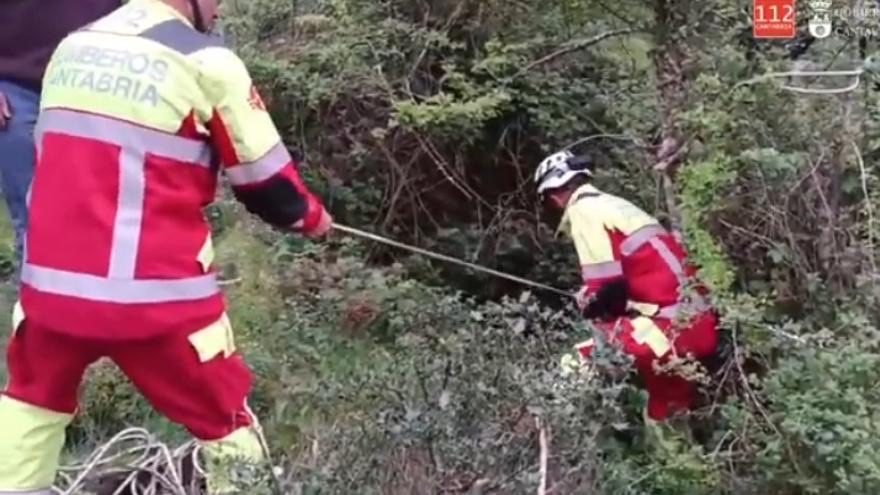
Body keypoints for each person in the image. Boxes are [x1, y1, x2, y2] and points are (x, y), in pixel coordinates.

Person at [0, 0, 334, 493]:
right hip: (156, 303)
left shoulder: (72, 47)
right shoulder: (206, 61)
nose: (219, 10)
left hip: (51, 295)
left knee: (30, 403)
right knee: (227, 424)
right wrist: (312, 220)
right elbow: (266, 183)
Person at [536, 150, 719, 426]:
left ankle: (547, 433)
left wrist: (590, 304)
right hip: (699, 326)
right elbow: (647, 277)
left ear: (554, 195)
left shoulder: (583, 211)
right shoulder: (616, 205)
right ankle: (681, 459)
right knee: (665, 415)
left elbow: (610, 292)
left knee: (577, 360)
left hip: (669, 331)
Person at [0, 0, 123, 273]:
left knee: (110, 211)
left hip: (106, 76)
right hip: (17, 87)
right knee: (38, 222)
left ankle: (111, 309)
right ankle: (42, 312)